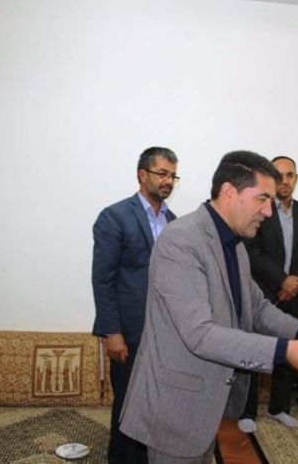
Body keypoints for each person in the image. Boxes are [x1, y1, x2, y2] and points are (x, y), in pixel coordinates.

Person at [120, 151, 298, 463]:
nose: (268, 211)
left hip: (207, 404)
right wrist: (284, 352)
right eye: (262, 199)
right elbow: (200, 334)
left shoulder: (235, 245)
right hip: (175, 407)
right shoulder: (180, 241)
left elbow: (258, 308)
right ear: (229, 192)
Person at [92, 147, 179, 464]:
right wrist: (112, 332)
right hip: (129, 334)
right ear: (143, 175)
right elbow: (103, 279)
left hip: (165, 333)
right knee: (128, 406)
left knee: (158, 404)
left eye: (173, 176)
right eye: (162, 173)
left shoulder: (174, 222)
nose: (168, 181)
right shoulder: (114, 216)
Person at [238, 155, 298, 433]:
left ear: (296, 179)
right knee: (254, 351)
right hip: (263, 293)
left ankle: (279, 408)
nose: (284, 181)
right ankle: (247, 411)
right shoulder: (260, 208)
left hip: (296, 296)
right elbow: (251, 251)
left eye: (290, 175)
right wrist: (281, 281)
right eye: (279, 175)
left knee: (291, 351)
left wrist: (294, 283)